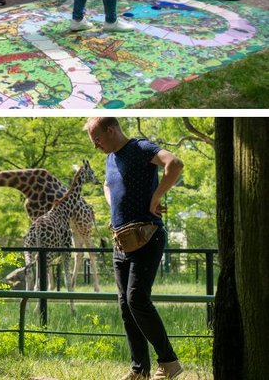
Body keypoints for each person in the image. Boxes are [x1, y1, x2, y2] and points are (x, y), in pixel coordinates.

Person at [84, 117, 184, 380]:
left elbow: (174, 163)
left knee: (136, 299)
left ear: (111, 130)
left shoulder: (140, 148)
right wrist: (114, 206)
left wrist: (157, 195)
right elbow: (108, 184)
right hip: (121, 240)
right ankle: (140, 370)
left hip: (147, 236)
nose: (96, 146)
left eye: (98, 140)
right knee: (126, 307)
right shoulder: (110, 158)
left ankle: (169, 362)